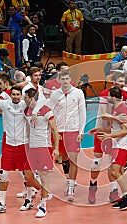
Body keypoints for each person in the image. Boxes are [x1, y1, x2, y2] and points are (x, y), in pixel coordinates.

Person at [0, 86, 35, 214]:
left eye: (17, 94)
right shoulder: (4, 104)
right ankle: (2, 203)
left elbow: (38, 106)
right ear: (11, 95)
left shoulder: (25, 105)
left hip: (23, 145)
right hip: (9, 145)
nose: (15, 96)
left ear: (21, 96)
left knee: (27, 174)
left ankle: (29, 200)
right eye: (13, 94)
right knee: (3, 174)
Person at [87, 72, 127, 204]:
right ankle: (92, 187)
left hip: (114, 134)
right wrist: (117, 118)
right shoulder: (105, 94)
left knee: (113, 164)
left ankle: (114, 191)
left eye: (123, 82)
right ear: (113, 82)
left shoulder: (126, 94)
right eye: (118, 82)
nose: (121, 84)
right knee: (96, 162)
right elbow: (104, 115)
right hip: (102, 130)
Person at [48, 70, 86, 201]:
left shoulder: (78, 93)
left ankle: (71, 186)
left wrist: (81, 131)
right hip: (59, 131)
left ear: (70, 79)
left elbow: (82, 113)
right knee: (64, 157)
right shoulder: (54, 95)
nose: (65, 81)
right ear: (58, 80)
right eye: (62, 79)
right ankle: (69, 178)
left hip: (73, 130)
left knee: (74, 159)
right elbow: (49, 112)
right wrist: (52, 130)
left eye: (67, 78)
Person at [97, 87, 127, 210]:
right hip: (116, 144)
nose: (107, 98)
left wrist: (108, 135)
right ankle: (126, 196)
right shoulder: (116, 109)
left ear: (113, 97)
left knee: (114, 170)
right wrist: (99, 131)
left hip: (122, 145)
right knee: (115, 171)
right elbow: (115, 127)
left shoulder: (122, 109)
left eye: (108, 96)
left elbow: (124, 131)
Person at [23, 88, 59, 218]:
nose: (24, 100)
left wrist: (56, 148)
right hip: (32, 148)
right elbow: (28, 128)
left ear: (31, 98)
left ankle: (43, 206)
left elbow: (55, 130)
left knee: (44, 177)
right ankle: (45, 193)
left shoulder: (46, 111)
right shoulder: (27, 111)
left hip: (44, 147)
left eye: (25, 97)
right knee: (27, 175)